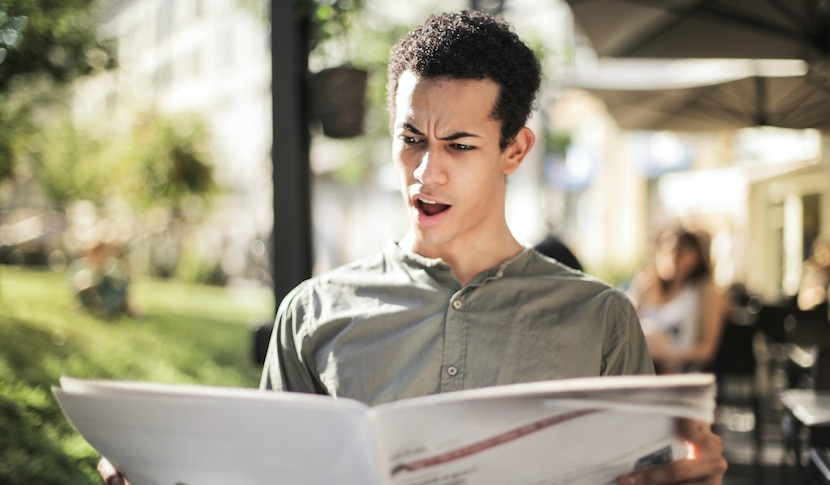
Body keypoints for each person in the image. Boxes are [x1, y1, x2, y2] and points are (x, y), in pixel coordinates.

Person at [100, 10, 726, 485]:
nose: (426, 173)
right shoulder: (311, 313)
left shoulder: (599, 319)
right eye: (410, 139)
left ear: (515, 150)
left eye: (458, 144)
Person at [627, 228, 725, 375]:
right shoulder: (648, 285)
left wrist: (668, 356)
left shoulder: (704, 290)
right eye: (664, 251)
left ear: (695, 257)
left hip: (679, 373)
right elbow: (623, 325)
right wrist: (638, 294)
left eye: (678, 252)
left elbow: (707, 349)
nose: (671, 258)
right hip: (642, 370)